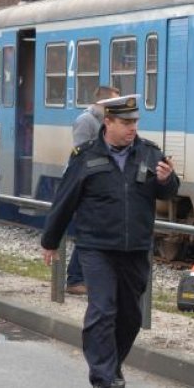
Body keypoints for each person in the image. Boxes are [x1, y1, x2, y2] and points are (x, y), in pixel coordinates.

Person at [41, 95, 179, 388]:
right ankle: (100, 379)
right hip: (96, 246)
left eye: (135, 122)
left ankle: (114, 362)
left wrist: (167, 181)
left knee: (130, 315)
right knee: (102, 310)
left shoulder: (150, 153)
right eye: (126, 122)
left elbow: (169, 192)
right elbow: (66, 200)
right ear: (109, 123)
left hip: (135, 248)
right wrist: (50, 240)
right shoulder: (85, 156)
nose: (133, 128)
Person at [65, 85, 120, 296]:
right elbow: (81, 155)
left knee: (94, 232)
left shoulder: (102, 121)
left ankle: (84, 278)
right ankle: (75, 279)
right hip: (85, 185)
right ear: (103, 103)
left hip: (98, 183)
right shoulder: (85, 121)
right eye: (114, 103)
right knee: (87, 232)